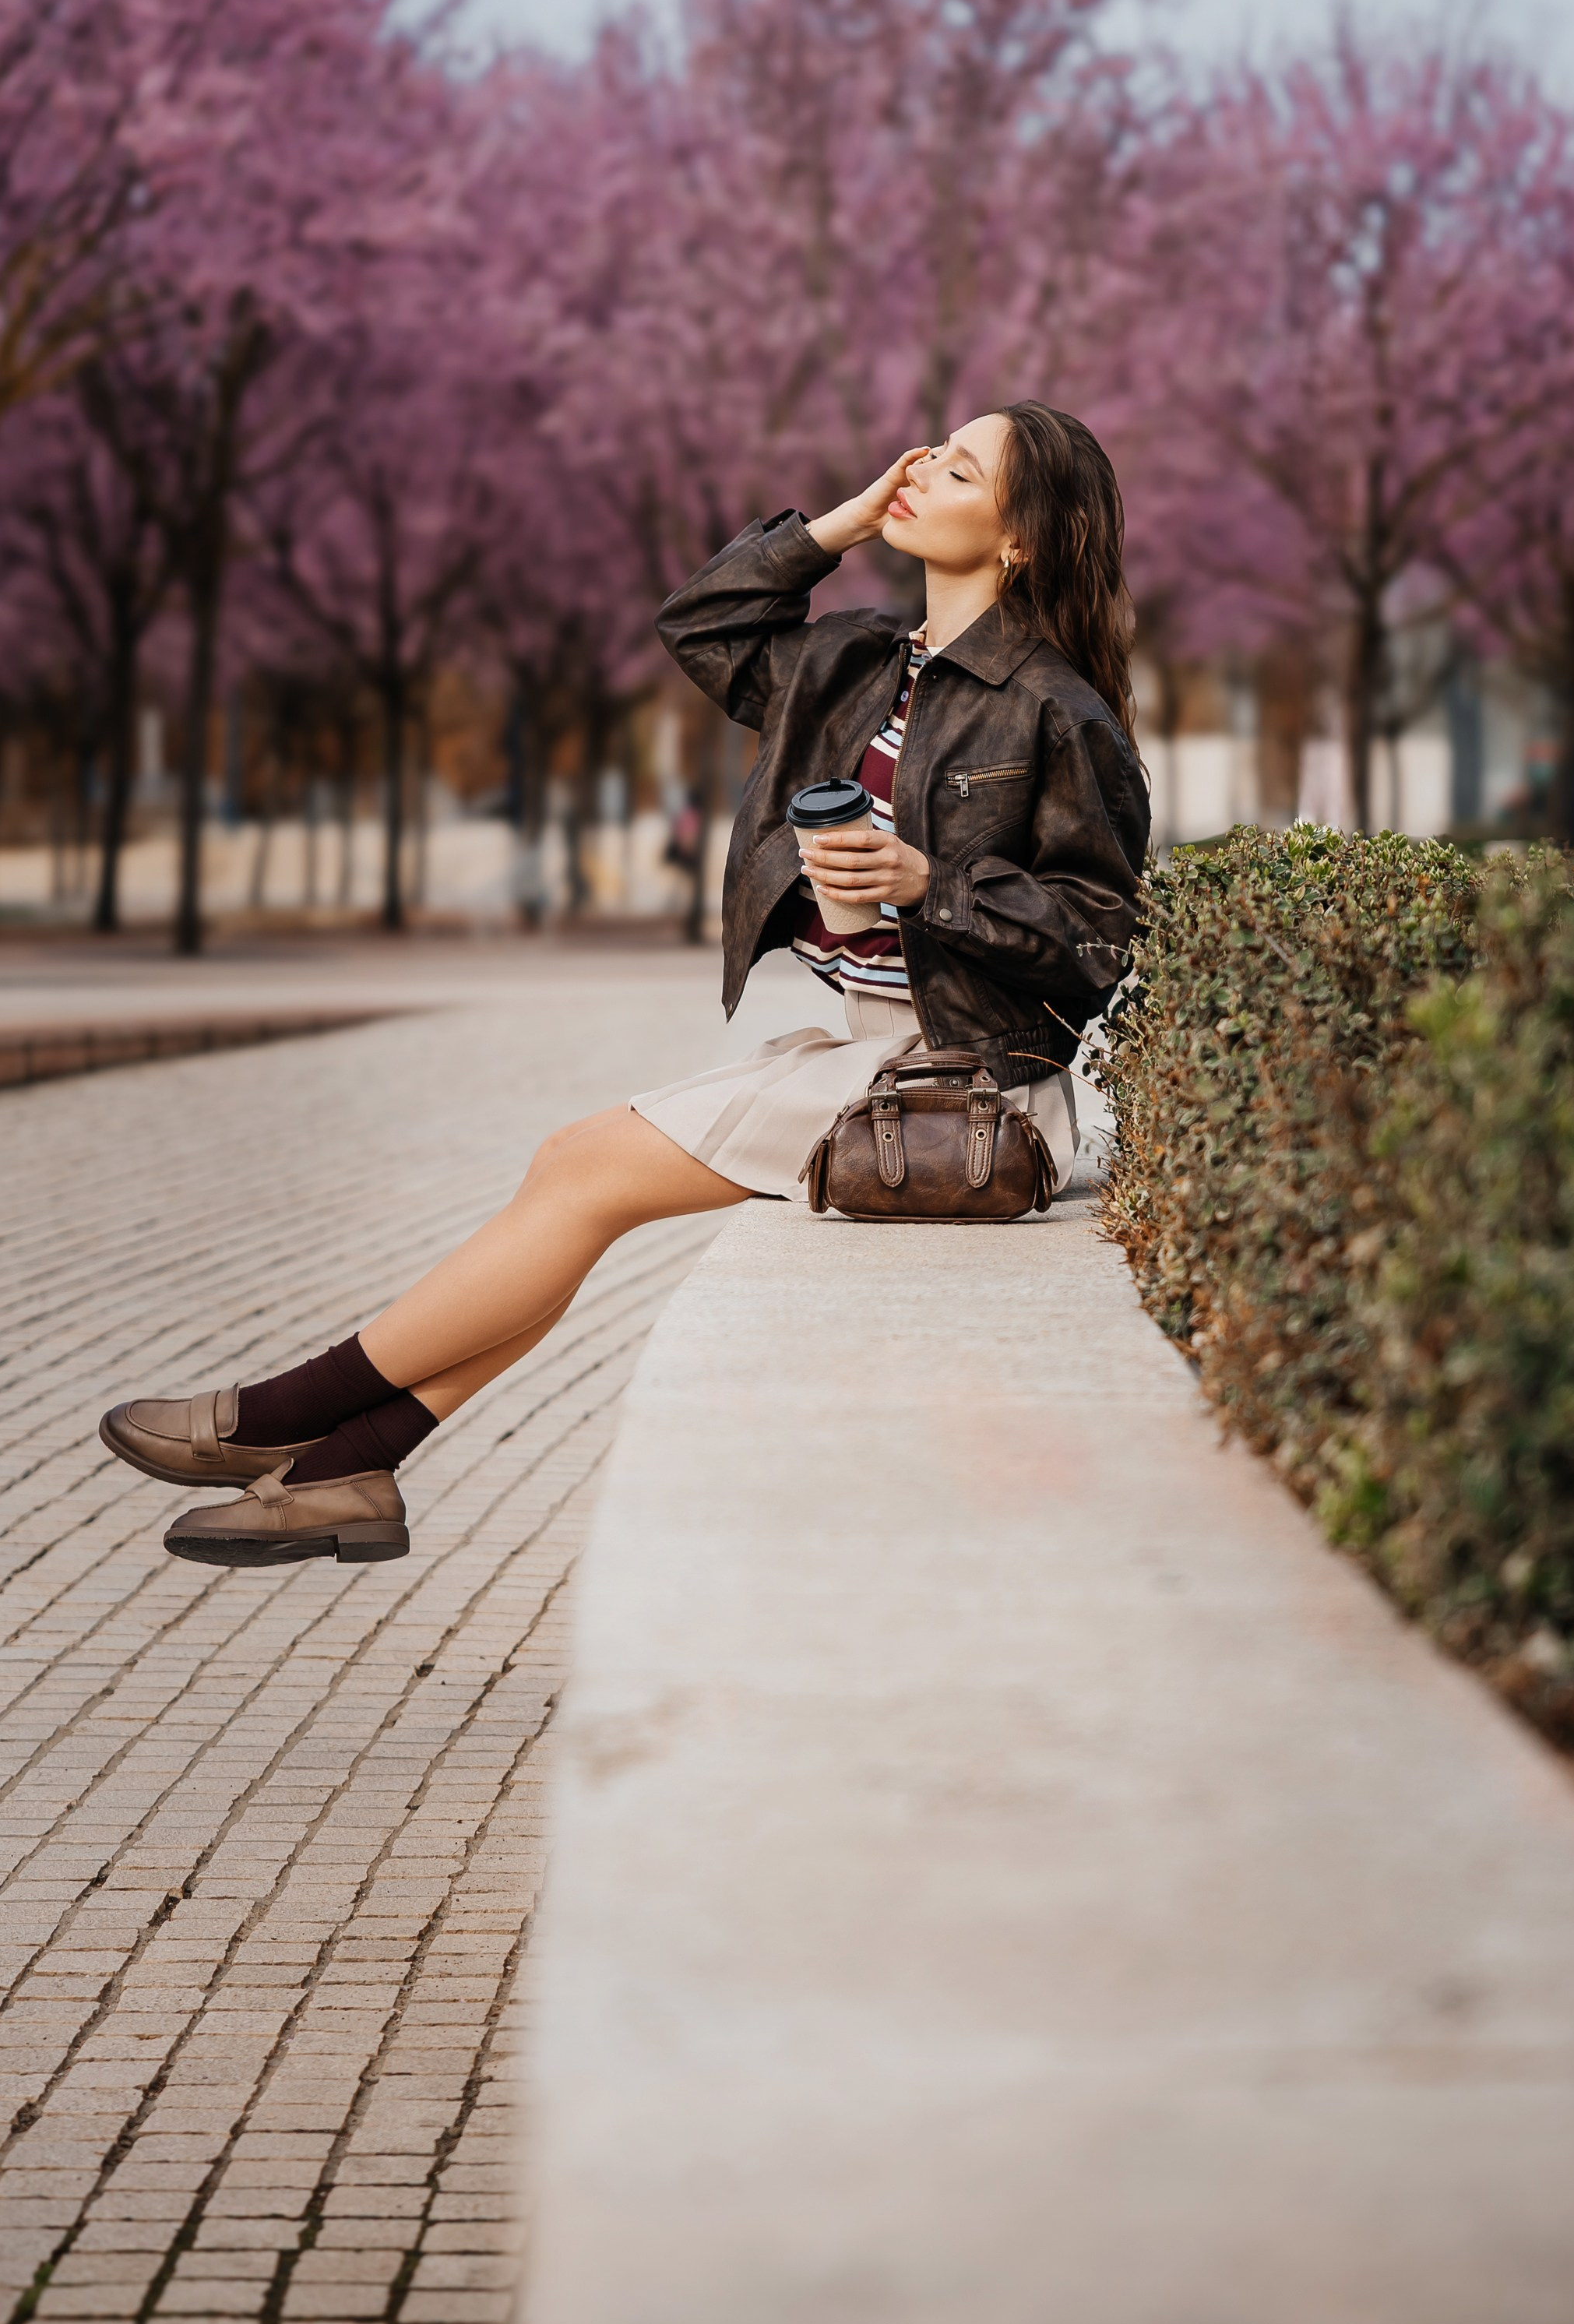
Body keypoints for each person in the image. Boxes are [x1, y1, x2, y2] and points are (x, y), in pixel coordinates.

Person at [98, 403, 1152, 1565]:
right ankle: (349, 1466)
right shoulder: (853, 662)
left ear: (1021, 542)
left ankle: (281, 1421)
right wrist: (836, 526)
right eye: (928, 450)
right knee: (578, 1183)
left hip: (970, 1082)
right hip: (872, 1052)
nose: (918, 470)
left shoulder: (1058, 707)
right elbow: (700, 624)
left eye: (958, 470)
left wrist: (927, 877)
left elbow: (1104, 940)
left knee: (581, 1167)